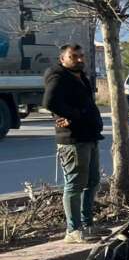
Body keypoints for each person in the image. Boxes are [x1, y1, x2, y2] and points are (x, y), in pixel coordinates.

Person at [42, 43, 104, 243]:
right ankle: (73, 230)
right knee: (75, 185)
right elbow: (49, 102)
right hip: (72, 139)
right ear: (62, 59)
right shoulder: (58, 76)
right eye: (73, 56)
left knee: (92, 182)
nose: (79, 59)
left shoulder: (79, 75)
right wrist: (72, 115)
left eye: (81, 56)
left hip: (89, 136)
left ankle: (87, 225)